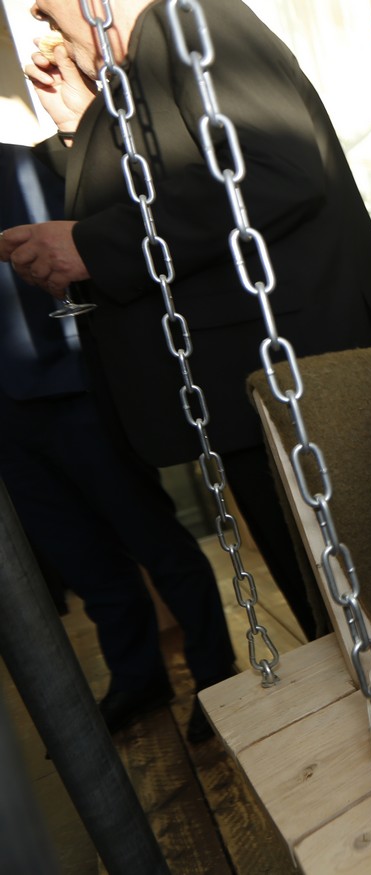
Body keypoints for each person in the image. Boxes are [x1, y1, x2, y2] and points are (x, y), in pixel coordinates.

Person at [0, 0, 371, 639]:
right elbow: (174, 183)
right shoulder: (144, 69)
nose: (46, 28)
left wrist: (93, 247)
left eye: (48, 14)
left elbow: (273, 170)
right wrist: (83, 122)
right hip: (258, 394)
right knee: (336, 626)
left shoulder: (189, 20)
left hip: (303, 387)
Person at [1, 141, 236, 744]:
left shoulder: (33, 167)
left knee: (154, 539)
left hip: (81, 390)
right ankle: (137, 678)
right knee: (80, 559)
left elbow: (98, 257)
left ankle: (216, 674)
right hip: (8, 416)